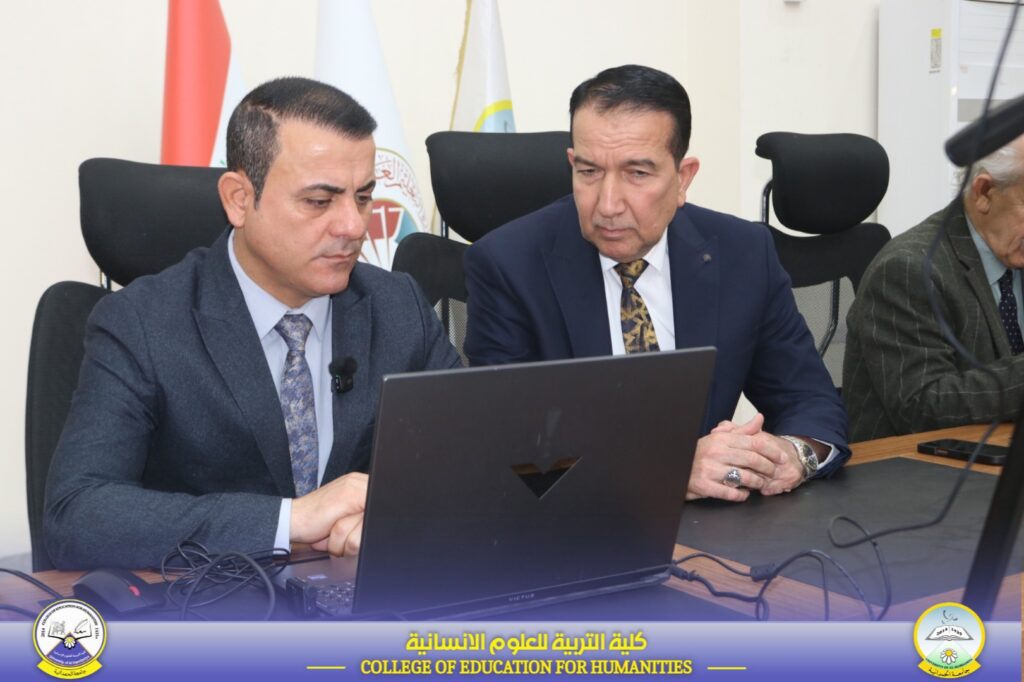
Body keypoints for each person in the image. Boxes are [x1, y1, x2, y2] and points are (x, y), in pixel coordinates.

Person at [44, 77, 461, 569]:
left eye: (364, 196)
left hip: (364, 596)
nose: (353, 226)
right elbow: (76, 516)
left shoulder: (398, 306)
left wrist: (402, 515)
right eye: (319, 201)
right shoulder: (141, 324)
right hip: (212, 603)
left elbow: (475, 460)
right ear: (239, 199)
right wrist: (289, 521)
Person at [463, 64, 848, 503]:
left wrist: (792, 455)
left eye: (637, 174)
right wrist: (668, 469)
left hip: (715, 524)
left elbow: (810, 400)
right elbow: (509, 448)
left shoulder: (743, 254)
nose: (608, 204)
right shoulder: (508, 266)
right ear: (572, 163)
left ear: (683, 178)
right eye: (589, 172)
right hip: (575, 524)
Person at [844, 136, 1024, 441]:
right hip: (909, 463)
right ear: (984, 192)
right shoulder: (910, 269)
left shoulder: (1013, 248)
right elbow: (924, 407)